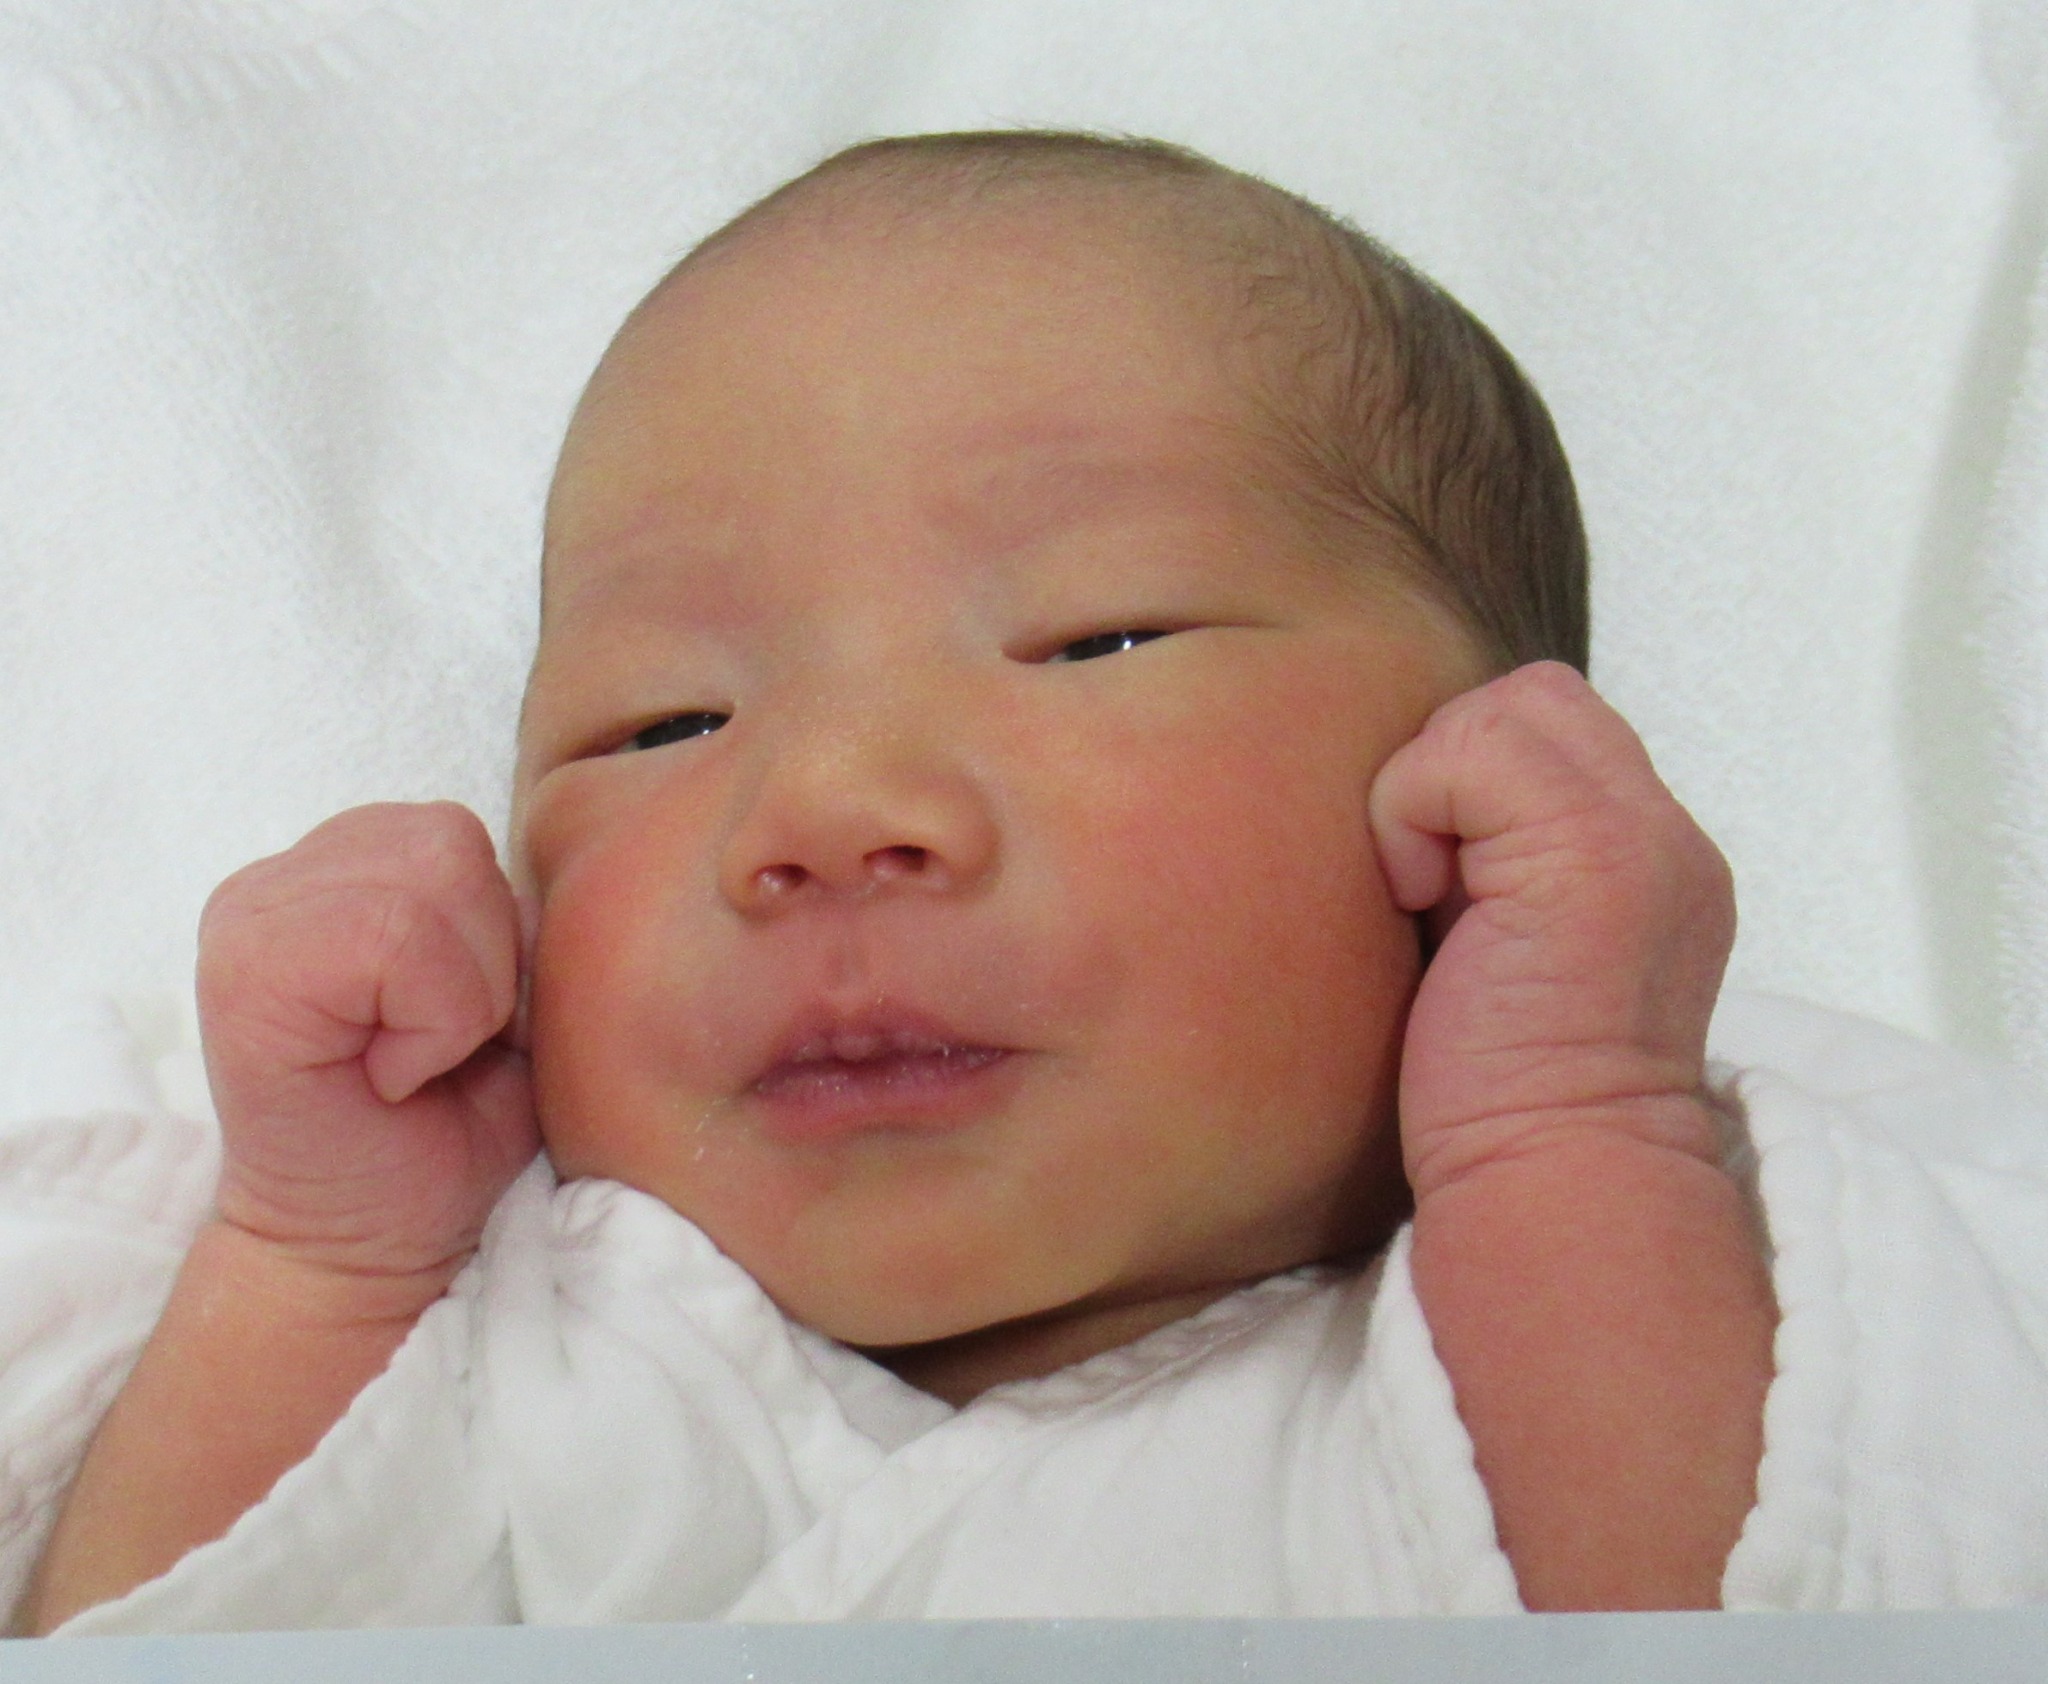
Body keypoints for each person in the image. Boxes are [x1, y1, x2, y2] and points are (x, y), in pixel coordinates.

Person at [11, 132, 2048, 1634]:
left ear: (1483, 810)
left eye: (1099, 638)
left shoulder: (1679, 1252)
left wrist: (1566, 1129)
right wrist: (319, 1264)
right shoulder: (489, 1321)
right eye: (661, 722)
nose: (820, 804)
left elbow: (1777, 1618)